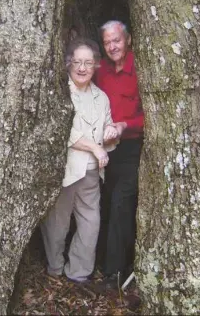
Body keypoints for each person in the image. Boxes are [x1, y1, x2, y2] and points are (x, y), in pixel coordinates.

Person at [41, 37, 118, 283]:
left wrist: (111, 132)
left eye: (88, 62)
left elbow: (107, 129)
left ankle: (79, 272)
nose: (82, 68)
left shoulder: (101, 97)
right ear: (68, 64)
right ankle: (55, 268)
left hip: (93, 172)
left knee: (90, 222)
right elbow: (63, 132)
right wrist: (95, 148)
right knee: (57, 222)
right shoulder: (61, 92)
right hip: (66, 169)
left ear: (96, 65)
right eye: (77, 62)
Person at [94, 20, 144, 290]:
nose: (113, 46)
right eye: (107, 42)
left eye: (117, 40)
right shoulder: (99, 69)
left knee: (121, 205)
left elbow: (155, 113)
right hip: (102, 148)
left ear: (128, 40)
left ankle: (114, 273)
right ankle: (102, 263)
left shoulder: (141, 66)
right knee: (101, 203)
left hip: (129, 148)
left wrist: (126, 126)